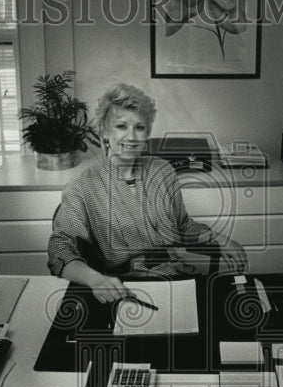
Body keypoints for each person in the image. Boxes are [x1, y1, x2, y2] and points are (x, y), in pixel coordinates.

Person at [47, 82, 248, 303]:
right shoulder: (83, 186)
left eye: (140, 127)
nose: (132, 136)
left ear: (147, 132)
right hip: (125, 287)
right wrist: (95, 280)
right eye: (121, 126)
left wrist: (220, 239)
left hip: (178, 275)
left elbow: (182, 226)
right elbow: (61, 248)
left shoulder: (162, 170)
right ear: (104, 131)